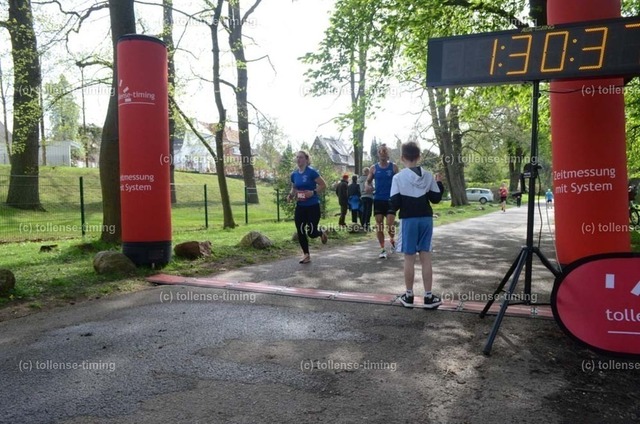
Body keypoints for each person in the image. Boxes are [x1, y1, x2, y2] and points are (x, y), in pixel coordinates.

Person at [390, 141, 444, 309]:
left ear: (402, 158)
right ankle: (428, 297)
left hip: (409, 220)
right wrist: (439, 183)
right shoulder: (428, 176)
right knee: (426, 257)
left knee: (409, 258)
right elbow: (436, 199)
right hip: (426, 218)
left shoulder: (398, 178)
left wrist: (388, 222)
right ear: (419, 157)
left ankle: (409, 296)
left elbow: (394, 203)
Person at [288, 151, 328, 264]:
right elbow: (294, 187)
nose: (298, 159)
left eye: (301, 157)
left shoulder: (312, 172)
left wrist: (313, 192)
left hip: (313, 206)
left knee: (311, 232)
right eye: (297, 157)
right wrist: (290, 195)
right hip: (300, 206)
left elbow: (323, 185)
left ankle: (320, 233)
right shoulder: (294, 174)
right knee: (300, 230)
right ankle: (306, 255)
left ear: (306, 159)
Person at [366, 144, 399, 259]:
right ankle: (382, 249)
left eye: (385, 151)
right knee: (379, 224)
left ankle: (392, 239)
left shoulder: (394, 167)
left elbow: (399, 181)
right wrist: (368, 186)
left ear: (388, 153)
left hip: (391, 199)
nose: (383, 153)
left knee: (389, 224)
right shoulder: (373, 168)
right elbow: (368, 181)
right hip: (378, 199)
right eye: (381, 151)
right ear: (378, 154)